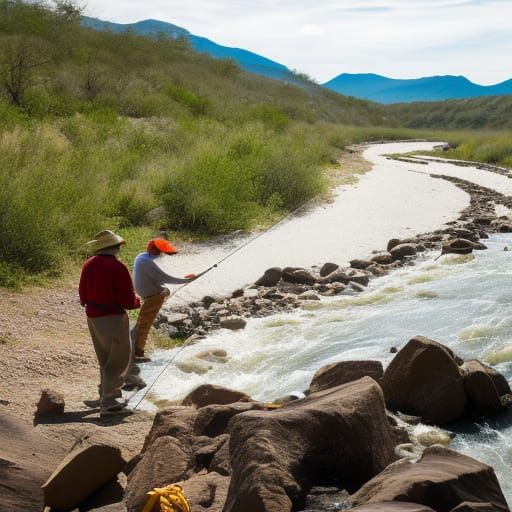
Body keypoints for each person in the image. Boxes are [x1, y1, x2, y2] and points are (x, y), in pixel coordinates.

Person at [79, 230, 140, 417]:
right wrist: (138, 301)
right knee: (119, 358)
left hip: (93, 316)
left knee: (105, 357)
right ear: (115, 247)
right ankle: (110, 400)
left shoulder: (88, 264)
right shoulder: (117, 267)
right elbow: (128, 302)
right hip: (113, 317)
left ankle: (103, 394)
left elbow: (82, 294)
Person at [132, 238, 196, 360]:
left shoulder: (140, 257)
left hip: (150, 295)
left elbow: (160, 276)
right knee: (145, 325)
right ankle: (138, 353)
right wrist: (187, 280)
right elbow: (167, 278)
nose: (160, 254)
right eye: (159, 251)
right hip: (153, 297)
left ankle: (135, 347)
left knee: (143, 322)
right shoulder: (148, 262)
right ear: (153, 250)